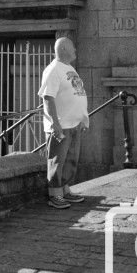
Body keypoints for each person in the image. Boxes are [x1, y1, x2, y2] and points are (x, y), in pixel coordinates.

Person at [38, 36, 89, 209]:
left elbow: (76, 93)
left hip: (74, 124)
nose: (75, 50)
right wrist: (54, 123)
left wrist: (82, 119)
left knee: (71, 160)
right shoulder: (53, 70)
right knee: (57, 160)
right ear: (64, 49)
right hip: (61, 124)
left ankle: (65, 190)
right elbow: (48, 97)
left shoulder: (69, 68)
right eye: (73, 47)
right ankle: (55, 195)